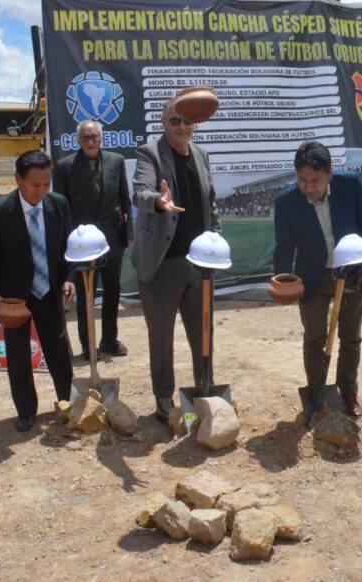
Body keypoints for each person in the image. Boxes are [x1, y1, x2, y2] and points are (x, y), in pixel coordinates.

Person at [132, 94, 220, 423]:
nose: (182, 127)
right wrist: (159, 201)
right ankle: (163, 397)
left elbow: (211, 201)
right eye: (174, 120)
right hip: (162, 264)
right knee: (161, 337)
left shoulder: (201, 154)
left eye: (187, 121)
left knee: (203, 333)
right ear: (163, 123)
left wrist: (217, 235)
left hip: (199, 265)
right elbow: (140, 192)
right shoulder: (149, 153)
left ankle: (205, 389)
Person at [273, 141, 362, 417]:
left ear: (330, 173)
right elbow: (284, 247)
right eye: (302, 180)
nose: (309, 187)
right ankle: (317, 394)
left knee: (350, 337)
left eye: (316, 180)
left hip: (351, 272)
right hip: (312, 276)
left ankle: (348, 393)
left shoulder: (351, 185)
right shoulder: (286, 201)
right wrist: (283, 281)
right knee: (314, 338)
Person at [0, 150, 75, 432]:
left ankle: (67, 402)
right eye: (35, 185)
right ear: (18, 179)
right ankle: (26, 410)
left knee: (58, 350)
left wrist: (68, 279)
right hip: (14, 298)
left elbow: (67, 250)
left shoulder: (58, 205)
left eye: (46, 184)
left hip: (49, 292)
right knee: (18, 355)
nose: (41, 191)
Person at [52, 120, 133, 358]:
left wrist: (128, 233)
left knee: (112, 292)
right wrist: (65, 241)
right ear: (78, 141)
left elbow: (124, 199)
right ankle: (89, 345)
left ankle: (110, 340)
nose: (90, 142)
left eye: (94, 137)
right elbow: (60, 207)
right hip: (82, 243)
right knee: (86, 295)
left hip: (112, 238)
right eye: (85, 138)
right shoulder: (64, 166)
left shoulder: (116, 161)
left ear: (101, 138)